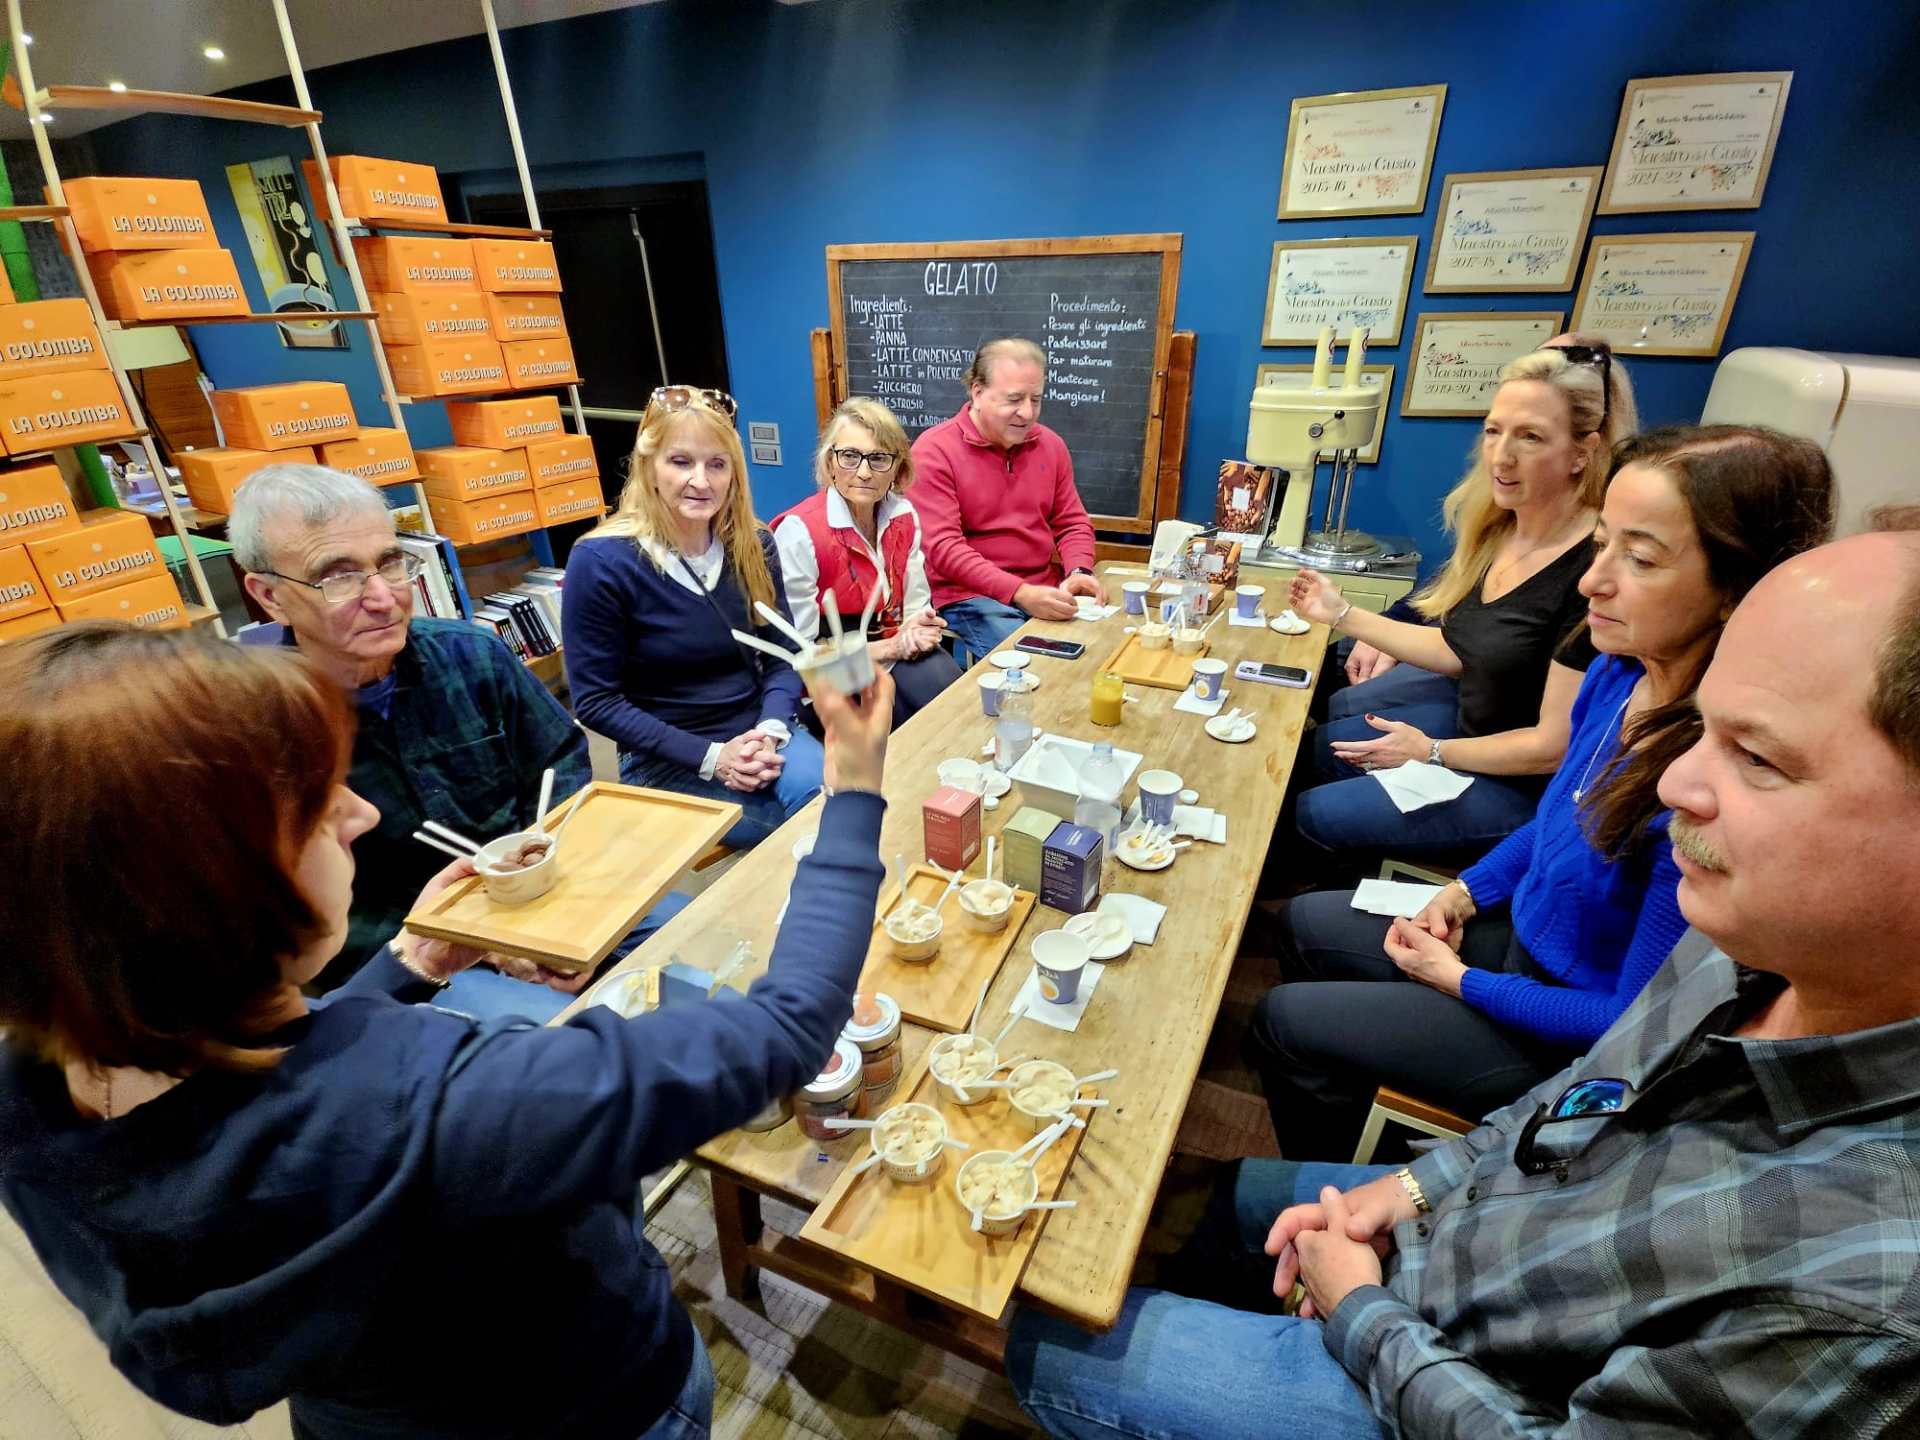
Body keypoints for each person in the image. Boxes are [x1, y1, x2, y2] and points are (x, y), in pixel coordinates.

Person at [1005, 513, 1920, 1438]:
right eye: (1706, 734)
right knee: (1203, 1199)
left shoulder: (1872, 1285)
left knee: (1044, 1347)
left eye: (1758, 758)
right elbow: (1573, 1102)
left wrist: (1362, 1312)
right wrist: (1412, 1188)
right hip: (1462, 1224)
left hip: (1436, 1373)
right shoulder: (1738, 950)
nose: (1680, 782)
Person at [0, 623, 898, 1440]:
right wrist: (854, 786)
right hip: (599, 1402)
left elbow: (274, 1119)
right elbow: (788, 1024)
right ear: (208, 894)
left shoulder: (33, 1089)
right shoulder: (444, 1103)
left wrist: (409, 963)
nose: (363, 814)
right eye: (318, 802)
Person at [1250, 425, 1835, 1160]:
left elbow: (1627, 1022)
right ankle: (1360, 1120)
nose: (1594, 581)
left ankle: (1362, 1202)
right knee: (1305, 924)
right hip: (1522, 941)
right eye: (1602, 546)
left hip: (1559, 1039)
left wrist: (1460, 982)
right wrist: (1462, 894)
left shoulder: (1700, 786)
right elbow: (1556, 820)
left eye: (1642, 558)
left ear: (1736, 590)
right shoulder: (1618, 676)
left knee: (1282, 1021)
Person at [229, 463, 681, 1010]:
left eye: (391, 563)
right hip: (405, 952)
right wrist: (481, 939)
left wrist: (545, 882)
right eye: (338, 577)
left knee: (688, 935)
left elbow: (562, 766)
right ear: (270, 596)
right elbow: (296, 916)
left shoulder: (473, 655)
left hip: (536, 887)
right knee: (558, 1036)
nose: (383, 597)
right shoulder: (251, 729)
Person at [1286, 339, 1638, 864]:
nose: (1502, 455)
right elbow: (1461, 649)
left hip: (1522, 786)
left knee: (1314, 813)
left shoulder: (1591, 571)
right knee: (1317, 750)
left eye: (1531, 437)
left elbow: (1553, 747)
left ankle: (1330, 912)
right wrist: (1341, 614)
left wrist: (1430, 752)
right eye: (1494, 431)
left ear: (1582, 453)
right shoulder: (1505, 528)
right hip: (1476, 736)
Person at [564, 385, 825, 850]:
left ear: (734, 474)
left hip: (762, 733)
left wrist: (769, 729)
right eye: (681, 461)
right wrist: (714, 758)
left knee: (834, 803)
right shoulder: (602, 562)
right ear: (650, 466)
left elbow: (785, 655)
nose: (701, 481)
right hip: (668, 756)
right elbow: (596, 702)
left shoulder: (755, 546)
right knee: (795, 833)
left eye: (717, 464)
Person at [911, 337, 1105, 660]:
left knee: (1100, 650)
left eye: (1036, 399)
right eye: (1014, 399)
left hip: (1043, 589)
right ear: (977, 393)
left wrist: (1079, 572)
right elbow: (945, 550)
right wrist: (1020, 592)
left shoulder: (1051, 446)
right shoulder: (934, 452)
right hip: (972, 599)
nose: (1027, 413)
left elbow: (1072, 522)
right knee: (1040, 663)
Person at [772, 395, 963, 723]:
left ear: (897, 468)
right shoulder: (799, 533)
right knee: (895, 724)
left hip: (890, 652)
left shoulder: (902, 515)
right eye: (849, 456)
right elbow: (800, 659)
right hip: (826, 675)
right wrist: (891, 648)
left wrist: (918, 628)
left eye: (878, 458)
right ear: (829, 462)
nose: (863, 472)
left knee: (951, 697)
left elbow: (913, 609)